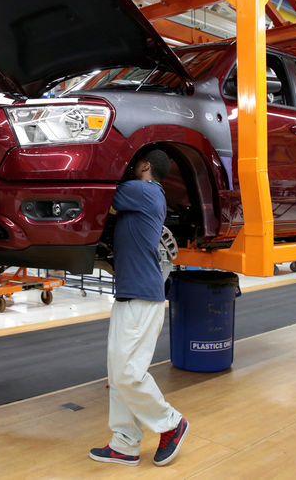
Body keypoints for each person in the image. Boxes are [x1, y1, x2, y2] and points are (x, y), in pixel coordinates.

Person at [89, 149, 189, 467]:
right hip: (130, 295)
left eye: (134, 165)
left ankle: (171, 423)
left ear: (145, 167)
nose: (130, 170)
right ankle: (125, 443)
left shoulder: (144, 191)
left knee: (129, 374)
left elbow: (102, 192)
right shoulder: (143, 196)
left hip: (142, 298)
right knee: (117, 376)